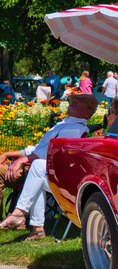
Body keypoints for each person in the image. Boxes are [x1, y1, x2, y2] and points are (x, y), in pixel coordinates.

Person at [0, 94, 98, 240]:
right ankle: (37, 229)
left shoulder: (75, 129)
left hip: (60, 179)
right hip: (44, 173)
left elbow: (48, 153)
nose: (71, 104)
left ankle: (19, 213)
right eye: (72, 101)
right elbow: (39, 148)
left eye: (77, 103)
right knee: (37, 172)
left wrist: (21, 160)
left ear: (88, 112)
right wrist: (9, 154)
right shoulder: (64, 125)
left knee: (38, 166)